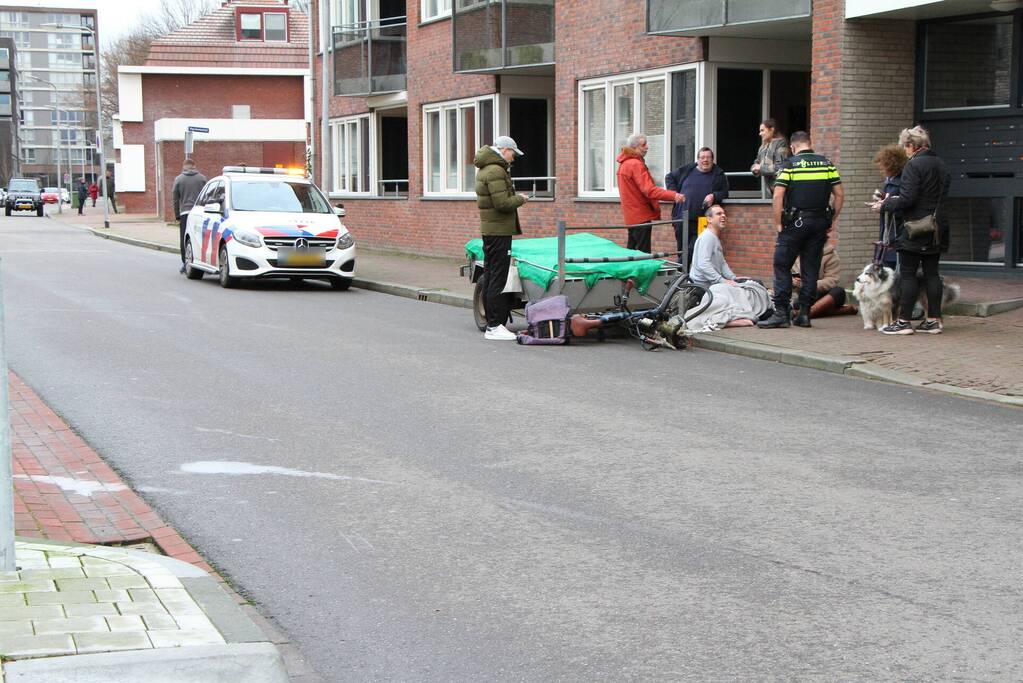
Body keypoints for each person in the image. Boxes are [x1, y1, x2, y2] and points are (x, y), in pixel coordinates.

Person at [758, 131, 844, 329]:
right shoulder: (827, 164)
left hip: (795, 223)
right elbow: (839, 195)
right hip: (819, 223)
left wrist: (778, 222)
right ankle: (804, 314)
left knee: (781, 264)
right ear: (810, 144)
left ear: (793, 147)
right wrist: (832, 218)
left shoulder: (790, 165)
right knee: (810, 270)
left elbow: (778, 195)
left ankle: (781, 313)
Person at [872, 125, 950, 335]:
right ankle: (934, 320)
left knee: (908, 274)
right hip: (937, 226)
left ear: (911, 145)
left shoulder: (913, 166)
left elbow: (908, 199)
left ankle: (904, 321)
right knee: (932, 274)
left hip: (915, 227)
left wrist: (884, 205)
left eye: (905, 147)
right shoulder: (941, 164)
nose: (904, 151)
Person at [475, 135, 529, 341]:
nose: (514, 157)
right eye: (513, 153)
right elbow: (502, 203)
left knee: (490, 276)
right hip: (499, 231)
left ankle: (492, 324)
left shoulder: (486, 168)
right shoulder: (496, 170)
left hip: (491, 230)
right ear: (505, 150)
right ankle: (495, 325)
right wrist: (520, 199)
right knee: (498, 278)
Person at [616, 133, 684, 253]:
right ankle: (642, 272)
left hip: (631, 216)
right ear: (635, 147)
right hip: (641, 215)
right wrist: (674, 195)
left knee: (631, 252)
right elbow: (650, 190)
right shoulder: (635, 165)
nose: (647, 147)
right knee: (643, 253)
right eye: (643, 145)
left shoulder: (625, 164)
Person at [666, 147, 729, 266]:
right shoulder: (688, 169)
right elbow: (669, 177)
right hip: (681, 218)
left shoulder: (718, 173)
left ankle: (679, 273)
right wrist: (674, 194)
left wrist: (714, 196)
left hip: (703, 220)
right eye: (702, 157)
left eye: (708, 157)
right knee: (682, 250)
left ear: (712, 159)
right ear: (698, 160)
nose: (705, 160)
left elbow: (725, 192)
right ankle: (685, 279)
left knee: (693, 250)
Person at [792, 243, 856, 318]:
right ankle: (845, 310)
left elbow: (831, 280)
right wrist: (794, 283)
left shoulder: (830, 254)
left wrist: (807, 284)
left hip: (829, 294)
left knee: (839, 292)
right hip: (811, 294)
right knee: (796, 304)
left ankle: (805, 313)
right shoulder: (797, 256)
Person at [872, 144, 907, 270]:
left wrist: (882, 206)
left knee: (891, 267)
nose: (881, 170)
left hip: (895, 230)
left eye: (883, 166)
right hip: (888, 229)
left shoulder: (901, 181)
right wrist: (881, 198)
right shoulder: (890, 180)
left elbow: (900, 203)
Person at [688, 204, 737, 290]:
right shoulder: (708, 237)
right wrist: (723, 281)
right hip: (702, 288)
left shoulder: (714, 237)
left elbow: (722, 263)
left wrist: (733, 278)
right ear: (709, 219)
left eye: (724, 213)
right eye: (719, 214)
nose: (723, 216)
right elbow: (703, 264)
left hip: (711, 286)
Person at [172, 159, 208, 274]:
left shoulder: (178, 179)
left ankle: (185, 263)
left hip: (185, 213)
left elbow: (175, 199)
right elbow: (207, 196)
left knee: (184, 238)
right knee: (201, 238)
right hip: (200, 213)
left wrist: (177, 215)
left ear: (184, 167)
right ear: (194, 166)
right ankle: (202, 262)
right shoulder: (202, 179)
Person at [751, 119, 791, 191]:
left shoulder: (780, 143)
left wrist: (760, 168)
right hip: (770, 188)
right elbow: (756, 162)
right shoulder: (762, 147)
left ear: (771, 129)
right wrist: (754, 169)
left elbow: (781, 167)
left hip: (781, 188)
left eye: (762, 130)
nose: (760, 133)